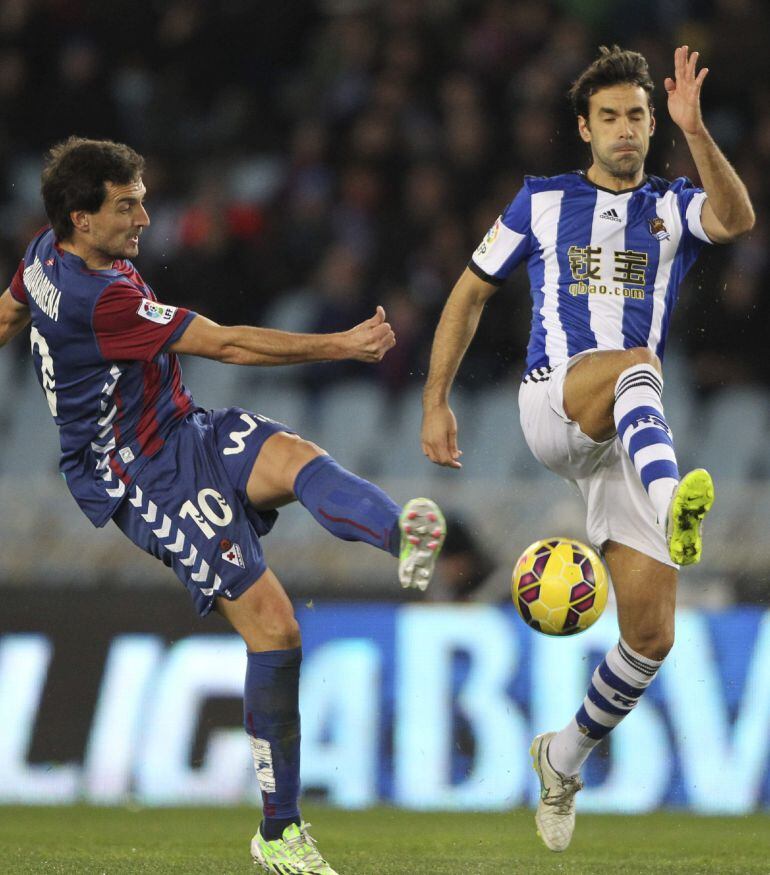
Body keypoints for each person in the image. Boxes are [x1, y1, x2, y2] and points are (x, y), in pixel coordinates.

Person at [0, 136, 447, 875]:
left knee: (297, 459)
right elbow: (230, 344)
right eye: (126, 205)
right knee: (276, 629)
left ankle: (406, 538)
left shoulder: (48, 251)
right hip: (140, 473)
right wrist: (341, 343)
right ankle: (278, 834)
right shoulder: (100, 298)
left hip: (182, 427)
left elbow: (9, 315)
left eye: (141, 197)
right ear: (83, 218)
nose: (144, 215)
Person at [420, 45, 754, 852]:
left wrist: (697, 131)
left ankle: (563, 756)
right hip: (555, 401)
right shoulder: (540, 202)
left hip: (626, 438)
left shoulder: (672, 207)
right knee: (639, 367)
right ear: (584, 128)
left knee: (650, 638)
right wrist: (435, 400)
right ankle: (677, 503)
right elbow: (469, 292)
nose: (627, 130)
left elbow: (738, 219)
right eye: (611, 116)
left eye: (638, 116)